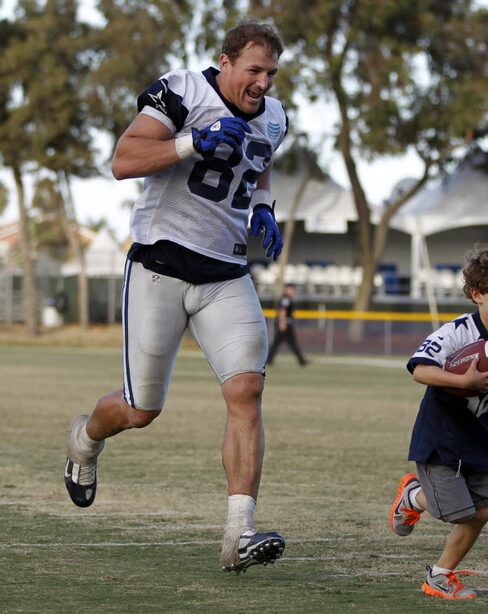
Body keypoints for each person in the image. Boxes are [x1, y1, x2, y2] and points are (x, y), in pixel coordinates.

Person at [63, 20, 290, 574]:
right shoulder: (185, 90)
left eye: (272, 73)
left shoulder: (278, 117)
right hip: (161, 264)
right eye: (254, 70)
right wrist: (192, 141)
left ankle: (239, 533)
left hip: (227, 272)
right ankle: (84, 442)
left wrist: (263, 206)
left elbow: (257, 169)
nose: (262, 83)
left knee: (247, 391)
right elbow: (124, 160)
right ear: (226, 62)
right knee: (140, 410)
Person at [388, 243, 488, 599]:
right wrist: (463, 382)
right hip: (440, 438)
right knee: (460, 513)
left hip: (477, 439)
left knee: (482, 511)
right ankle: (414, 496)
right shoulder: (456, 332)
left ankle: (439, 576)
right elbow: (420, 370)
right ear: (477, 294)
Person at [266, 283, 307, 366]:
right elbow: (282, 311)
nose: (292, 291)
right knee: (283, 343)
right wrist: (282, 323)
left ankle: (301, 360)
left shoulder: (287, 298)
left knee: (280, 343)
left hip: (285, 324)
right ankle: (301, 361)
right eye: (291, 289)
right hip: (285, 324)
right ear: (287, 289)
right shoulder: (286, 299)